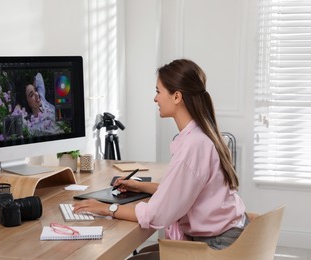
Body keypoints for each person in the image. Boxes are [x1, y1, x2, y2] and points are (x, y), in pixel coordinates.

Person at [72, 58, 247, 259]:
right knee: (145, 254)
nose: (155, 99)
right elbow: (183, 189)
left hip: (216, 247)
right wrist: (140, 186)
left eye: (158, 91)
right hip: (227, 236)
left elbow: (157, 215)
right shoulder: (200, 135)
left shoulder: (193, 145)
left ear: (177, 96)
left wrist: (106, 208)